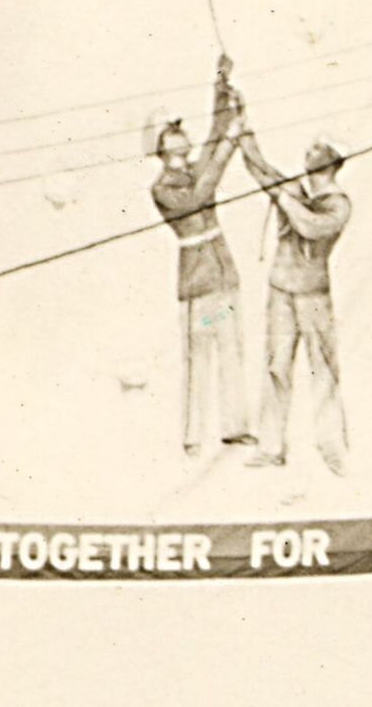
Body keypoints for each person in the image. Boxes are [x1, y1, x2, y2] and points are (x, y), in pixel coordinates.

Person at [148, 54, 254, 458]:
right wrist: (230, 144)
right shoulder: (164, 187)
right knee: (200, 355)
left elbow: (212, 138)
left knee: (230, 347)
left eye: (178, 128)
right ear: (160, 147)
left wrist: (222, 89)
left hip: (222, 270)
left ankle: (235, 427)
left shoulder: (193, 167)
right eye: (170, 131)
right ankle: (194, 436)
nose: (180, 133)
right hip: (198, 277)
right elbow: (200, 194)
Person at [238, 114, 352, 471]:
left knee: (324, 369)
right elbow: (262, 171)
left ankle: (332, 446)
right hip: (281, 291)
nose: (309, 151)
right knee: (276, 367)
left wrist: (283, 198)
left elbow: (310, 227)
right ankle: (272, 447)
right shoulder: (295, 191)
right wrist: (244, 131)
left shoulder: (338, 204)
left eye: (318, 147)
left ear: (332, 159)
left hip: (313, 295)